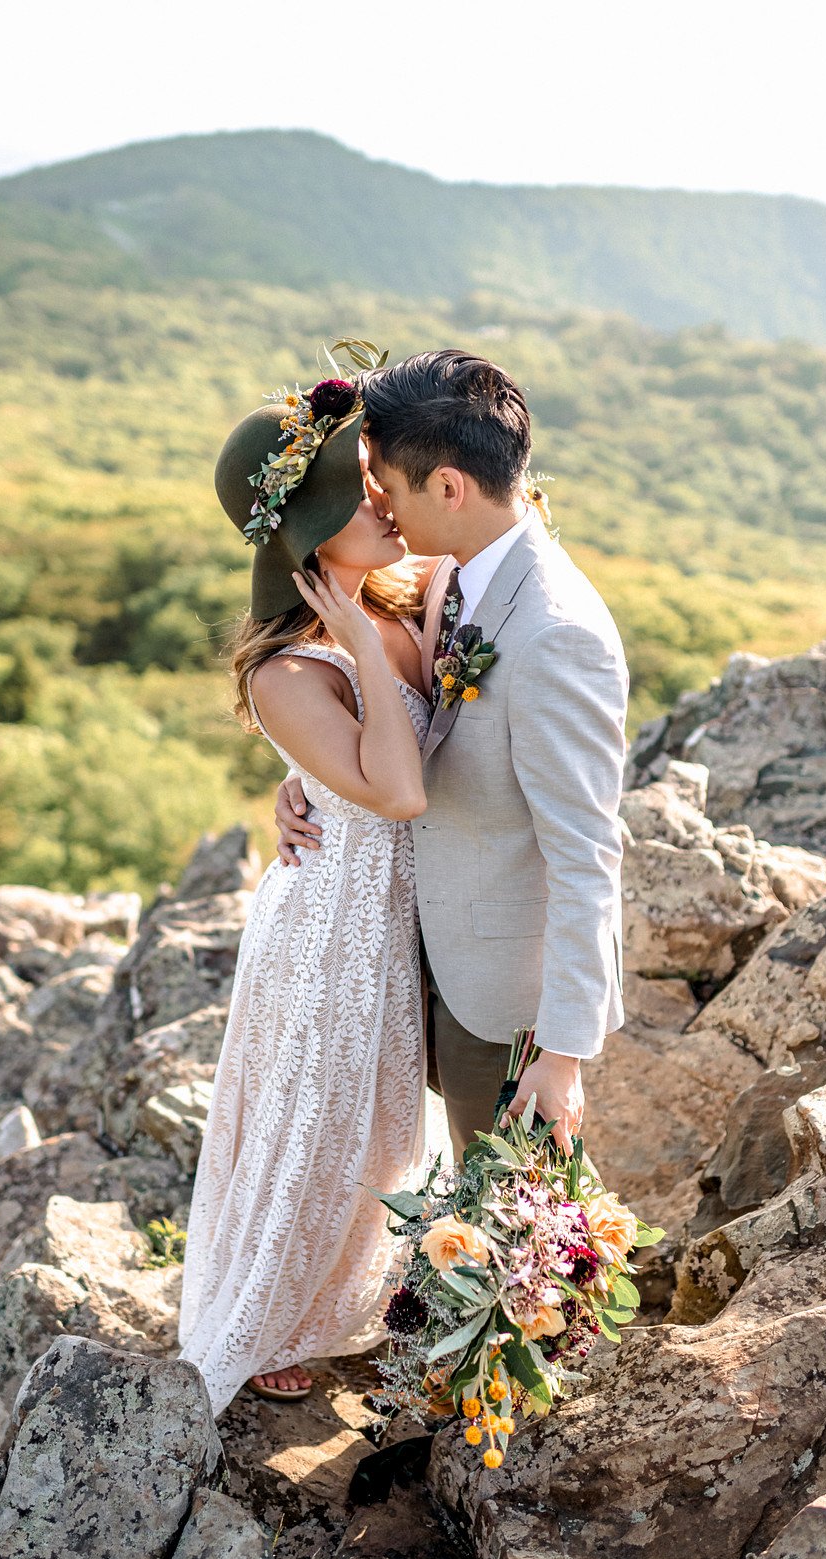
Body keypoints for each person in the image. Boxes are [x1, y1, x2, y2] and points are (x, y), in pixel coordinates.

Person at [275, 349, 629, 1166]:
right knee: (467, 1220)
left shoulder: (556, 631)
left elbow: (587, 854)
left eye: (387, 490)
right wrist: (311, 783)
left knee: (513, 1231)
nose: (382, 512)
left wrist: (564, 1056)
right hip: (425, 965)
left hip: (508, 1002)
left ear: (448, 488)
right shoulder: (453, 577)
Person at [177, 382, 448, 1408]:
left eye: (377, 482)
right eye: (358, 493)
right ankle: (270, 1313)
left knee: (381, 1127)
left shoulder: (403, 587)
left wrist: (309, 773)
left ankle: (343, 1298)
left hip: (389, 914)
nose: (383, 503)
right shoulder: (286, 669)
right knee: (316, 1123)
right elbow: (403, 789)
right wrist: (369, 679)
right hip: (330, 924)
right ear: (307, 534)